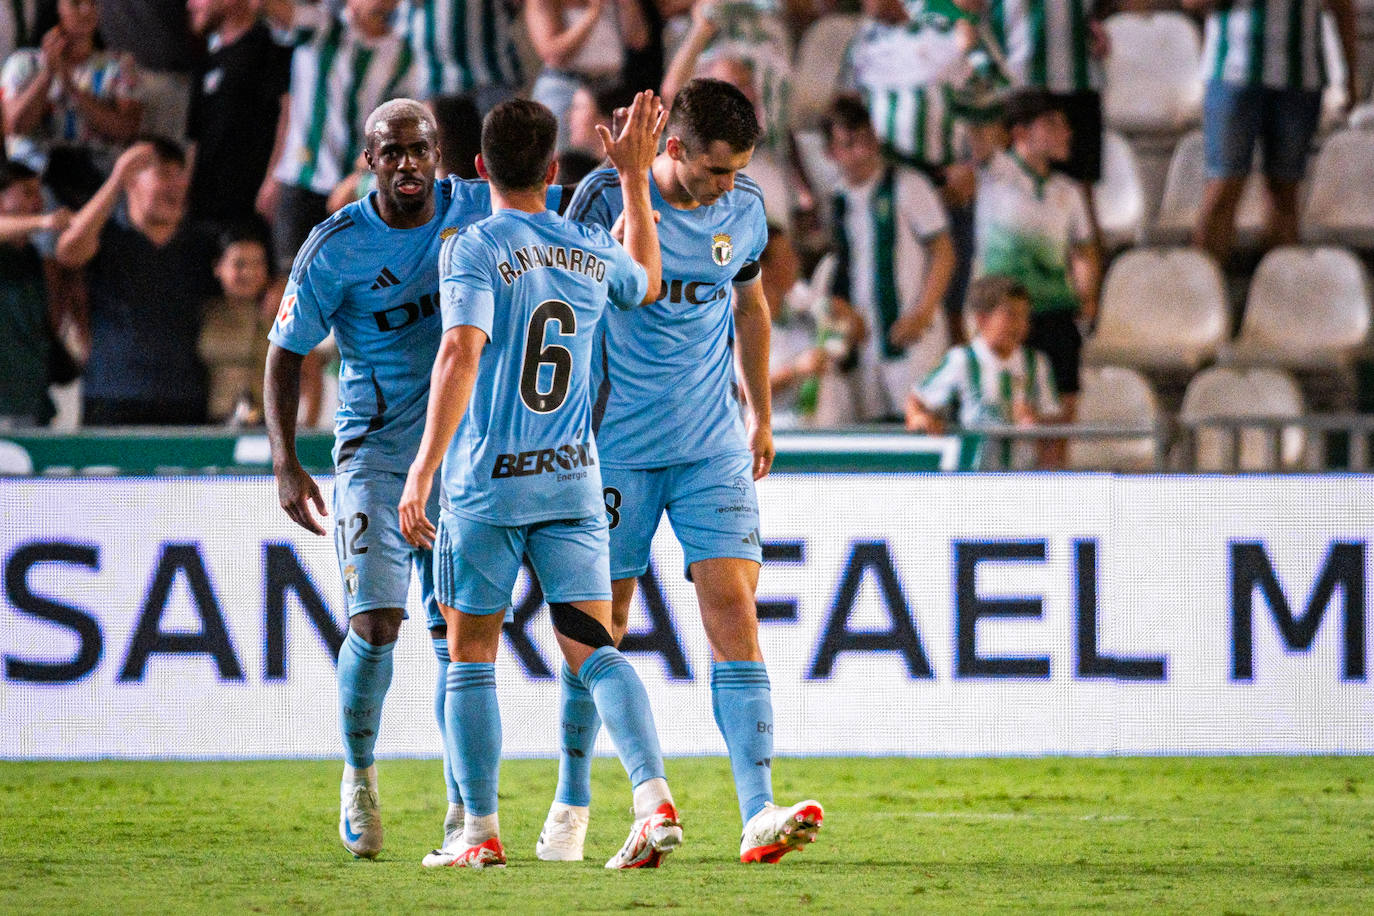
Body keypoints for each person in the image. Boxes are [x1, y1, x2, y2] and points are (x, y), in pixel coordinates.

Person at [264, 97, 571, 862]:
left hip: (462, 459)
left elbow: (560, 206)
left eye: (419, 150)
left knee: (456, 640)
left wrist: (643, 179)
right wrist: (284, 458)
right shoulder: (333, 247)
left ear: (442, 155)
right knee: (376, 625)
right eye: (390, 152)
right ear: (368, 162)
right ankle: (360, 773)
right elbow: (283, 351)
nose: (407, 164)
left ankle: (463, 809)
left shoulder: (478, 208)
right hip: (374, 455)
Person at [541, 77, 823, 866]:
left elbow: (751, 309)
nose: (728, 186)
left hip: (710, 444)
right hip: (614, 446)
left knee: (733, 606)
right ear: (673, 150)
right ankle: (574, 794)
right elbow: (569, 302)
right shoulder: (603, 198)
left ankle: (759, 807)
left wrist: (761, 414)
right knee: (601, 630)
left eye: (738, 171)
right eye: (714, 171)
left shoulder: (742, 210)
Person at [397, 93, 682, 871]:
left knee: (471, 656)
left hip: (489, 486)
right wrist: (632, 179)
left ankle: (480, 833)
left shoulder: (475, 246)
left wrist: (421, 468)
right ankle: (653, 796)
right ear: (555, 172)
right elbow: (647, 280)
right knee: (593, 649)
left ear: (479, 168)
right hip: (572, 482)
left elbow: (460, 351)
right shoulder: (591, 247)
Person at [55, 137, 218, 425]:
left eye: (180, 175)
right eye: (163, 174)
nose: (176, 185)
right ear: (131, 181)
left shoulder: (202, 243)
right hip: (112, 393)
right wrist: (116, 179)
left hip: (184, 397)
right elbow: (69, 251)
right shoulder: (107, 234)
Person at [1188, 0, 1358, 265]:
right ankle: (1201, 297)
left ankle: (1280, 295)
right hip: (1232, 71)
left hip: (1301, 76)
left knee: (1284, 193)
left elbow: (1342, 5)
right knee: (1223, 188)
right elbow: (1193, 2)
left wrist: (1350, 72)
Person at [823, 93, 955, 424]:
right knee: (872, 439)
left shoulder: (908, 185)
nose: (863, 152)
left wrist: (922, 313)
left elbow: (943, 251)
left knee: (921, 430)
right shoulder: (836, 199)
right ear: (831, 152)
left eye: (868, 140)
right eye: (850, 144)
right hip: (864, 346)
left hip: (911, 336)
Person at [974, 89, 1098, 441]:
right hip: (1005, 318)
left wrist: (1086, 296)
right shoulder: (994, 173)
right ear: (1020, 132)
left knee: (1058, 429)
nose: (1066, 132)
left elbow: (1083, 251)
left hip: (1057, 316)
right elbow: (975, 125)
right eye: (1052, 124)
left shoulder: (1068, 190)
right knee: (1005, 423)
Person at [260, 0, 417, 270]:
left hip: (356, 191)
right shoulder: (323, 26)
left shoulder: (404, 55)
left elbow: (396, 131)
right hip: (301, 183)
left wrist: (358, 177)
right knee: (293, 289)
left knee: (350, 293)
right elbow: (273, 8)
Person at [905, 274, 1061, 469]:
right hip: (971, 477)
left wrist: (1034, 420)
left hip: (1022, 475)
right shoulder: (962, 360)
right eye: (1011, 315)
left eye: (1025, 316)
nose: (1020, 325)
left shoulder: (1036, 363)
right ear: (982, 319)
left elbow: (1052, 421)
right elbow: (917, 401)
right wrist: (920, 418)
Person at [1, 0, 143, 207]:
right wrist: (48, 73)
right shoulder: (23, 63)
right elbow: (14, 125)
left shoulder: (119, 65)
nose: (87, 10)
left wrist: (71, 88)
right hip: (35, 179)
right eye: (76, 3)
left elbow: (126, 129)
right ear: (55, 7)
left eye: (93, 3)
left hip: (99, 177)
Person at [185, 0, 292, 234]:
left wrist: (274, 179)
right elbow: (195, 138)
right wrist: (186, 193)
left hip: (251, 205)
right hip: (205, 207)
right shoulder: (207, 59)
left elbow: (288, 113)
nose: (191, 5)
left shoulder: (270, 45)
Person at [0, 160, 72, 427]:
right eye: (27, 192)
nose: (38, 202)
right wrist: (43, 222)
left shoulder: (32, 256)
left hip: (32, 397)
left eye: (38, 193)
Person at [526, 0, 650, 150]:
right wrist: (593, 13)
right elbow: (553, 55)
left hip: (612, 87)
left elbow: (638, 40)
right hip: (565, 86)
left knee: (617, 158)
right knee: (564, 161)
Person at [199, 226, 273, 423]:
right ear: (218, 267)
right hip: (212, 424)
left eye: (258, 264)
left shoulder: (281, 315)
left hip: (267, 425)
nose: (249, 273)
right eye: (239, 264)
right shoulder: (206, 314)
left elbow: (310, 374)